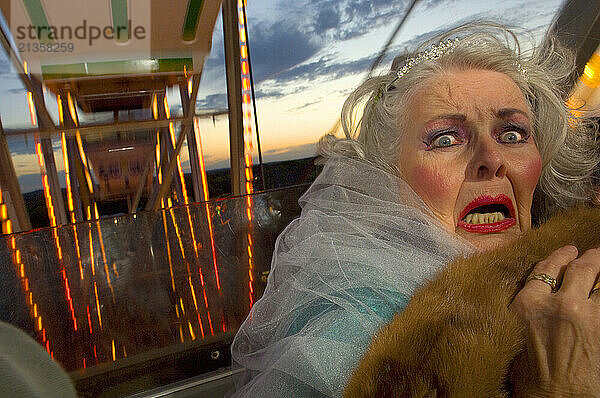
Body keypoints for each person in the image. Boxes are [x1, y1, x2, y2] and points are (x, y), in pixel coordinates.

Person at [229, 23, 600, 397]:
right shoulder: (349, 335)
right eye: (445, 139)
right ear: (388, 180)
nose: (492, 158)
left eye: (513, 134)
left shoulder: (582, 272)